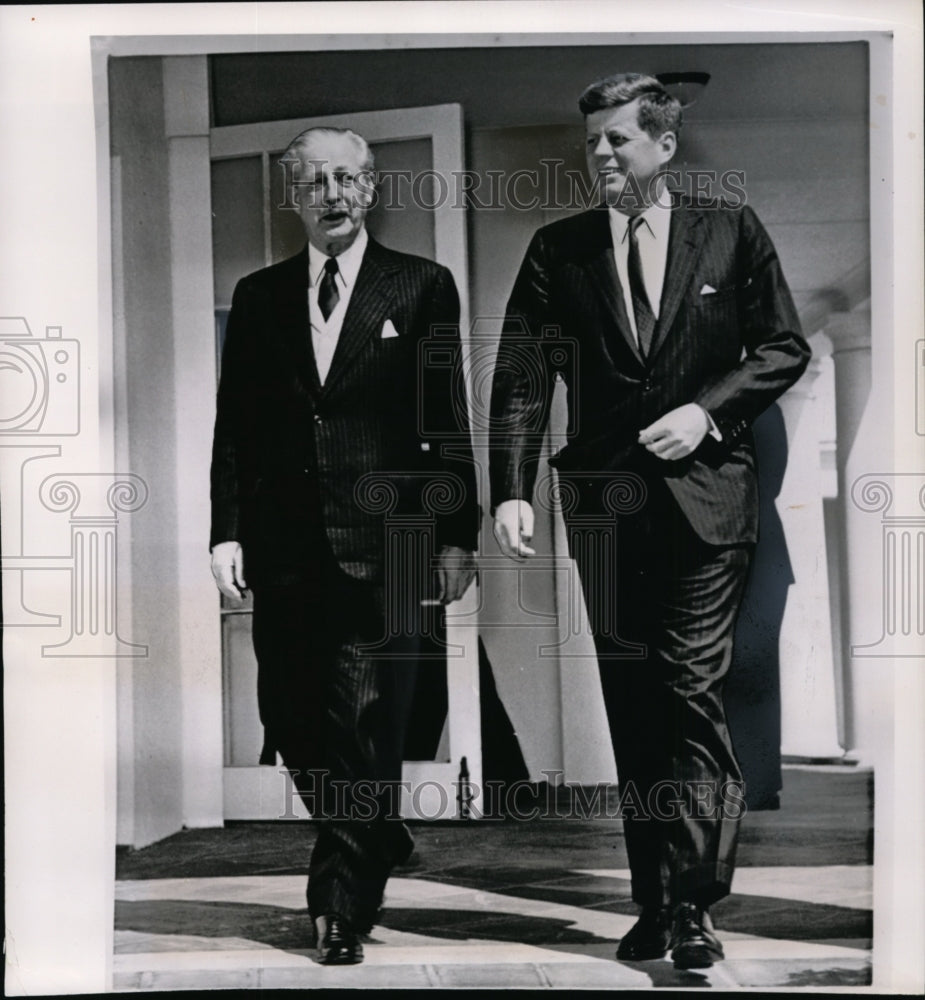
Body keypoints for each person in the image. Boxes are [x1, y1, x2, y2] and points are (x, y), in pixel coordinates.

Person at [489, 74, 810, 970]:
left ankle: (695, 905)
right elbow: (521, 375)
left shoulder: (728, 229)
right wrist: (509, 488)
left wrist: (708, 413)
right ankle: (655, 901)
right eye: (590, 140)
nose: (599, 155)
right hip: (604, 508)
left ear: (663, 146)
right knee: (634, 703)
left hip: (707, 502)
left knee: (685, 692)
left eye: (617, 140)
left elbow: (783, 346)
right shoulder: (559, 250)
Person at [210, 126, 479, 965]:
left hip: (392, 543)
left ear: (371, 190)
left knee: (363, 723)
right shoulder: (258, 296)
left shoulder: (421, 286)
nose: (332, 195)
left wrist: (456, 535)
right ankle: (373, 827)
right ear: (293, 194)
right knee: (288, 713)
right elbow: (236, 428)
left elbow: (445, 419)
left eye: (348, 180)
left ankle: (336, 906)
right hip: (285, 540)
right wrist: (224, 529)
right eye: (314, 181)